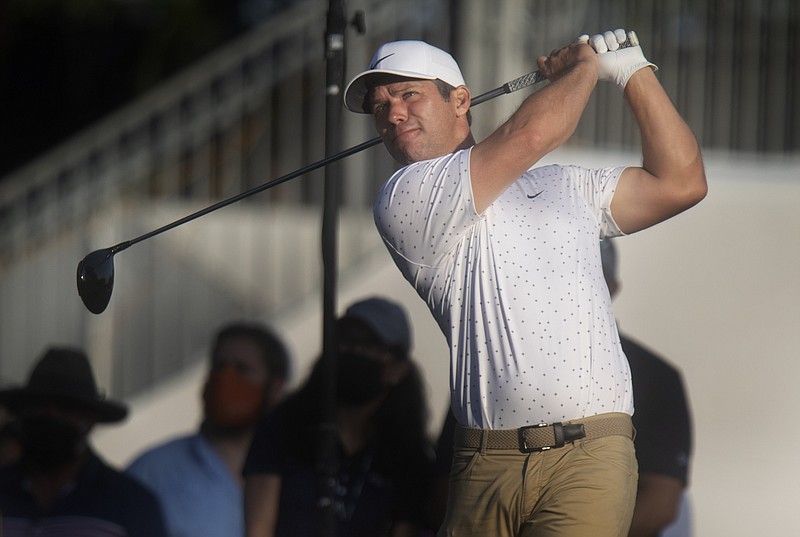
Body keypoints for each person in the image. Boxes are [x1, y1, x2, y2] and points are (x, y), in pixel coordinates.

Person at [342, 29, 706, 537]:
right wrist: (585, 67)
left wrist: (632, 72)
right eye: (380, 107)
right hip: (482, 461)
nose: (393, 114)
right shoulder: (403, 197)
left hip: (589, 455)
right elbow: (530, 136)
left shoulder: (564, 185)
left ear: (461, 100)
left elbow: (681, 182)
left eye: (408, 95)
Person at [242, 297, 434, 537]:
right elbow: (258, 529)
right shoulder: (283, 426)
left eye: (370, 345)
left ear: (398, 369)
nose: (354, 350)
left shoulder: (410, 460)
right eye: (346, 339)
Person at [127, 322, 291, 537]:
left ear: (275, 387)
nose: (225, 379)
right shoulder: (154, 472)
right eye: (218, 366)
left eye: (242, 369)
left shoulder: (299, 474)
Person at [0, 347, 168, 537]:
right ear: (23, 412)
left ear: (90, 420)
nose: (50, 415)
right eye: (39, 405)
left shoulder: (130, 503)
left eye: (65, 407)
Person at [600, 238, 693, 537]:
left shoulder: (654, 376)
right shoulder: (495, 367)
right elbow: (453, 479)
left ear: (612, 288)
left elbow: (661, 503)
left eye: (586, 275)